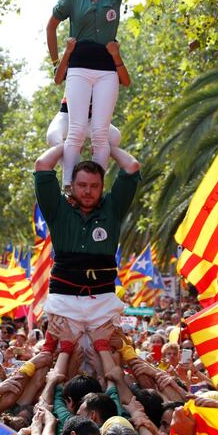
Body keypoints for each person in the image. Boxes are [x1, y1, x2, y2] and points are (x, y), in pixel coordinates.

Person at [46, 0, 140, 189]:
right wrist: (55, 62)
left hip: (107, 66)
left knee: (100, 133)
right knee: (75, 131)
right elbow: (51, 26)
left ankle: (95, 188)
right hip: (79, 64)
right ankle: (68, 186)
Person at [34, 143, 140, 334]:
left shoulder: (113, 208)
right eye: (82, 185)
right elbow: (42, 165)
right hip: (63, 297)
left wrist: (106, 145)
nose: (88, 191)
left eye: (94, 186)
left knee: (107, 356)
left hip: (103, 298)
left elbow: (131, 167)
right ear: (71, 185)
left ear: (102, 187)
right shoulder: (57, 208)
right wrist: (70, 144)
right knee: (60, 354)